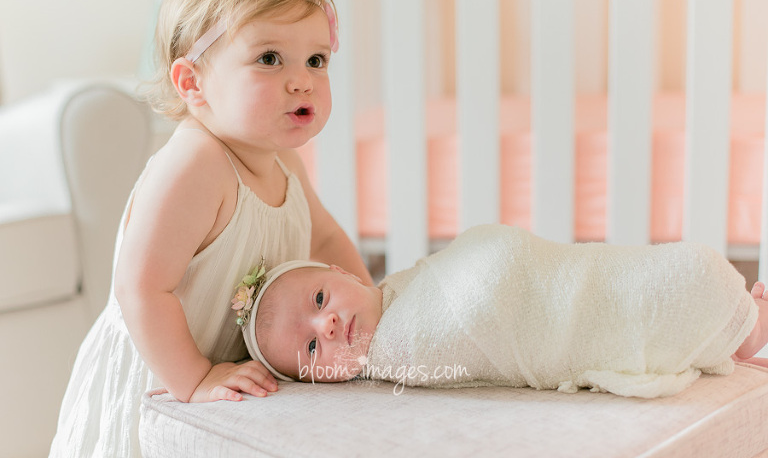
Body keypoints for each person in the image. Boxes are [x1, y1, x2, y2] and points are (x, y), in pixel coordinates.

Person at [49, 0, 372, 457]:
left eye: (316, 60)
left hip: (227, 389)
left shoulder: (283, 160)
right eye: (269, 58)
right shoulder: (196, 165)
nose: (302, 80)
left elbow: (325, 238)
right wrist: (195, 378)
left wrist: (372, 306)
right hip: (161, 378)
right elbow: (141, 286)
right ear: (192, 82)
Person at [242, 224, 768, 399]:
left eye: (319, 300)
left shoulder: (400, 288)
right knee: (677, 289)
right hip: (572, 318)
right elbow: (482, 311)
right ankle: (740, 331)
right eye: (312, 347)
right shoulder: (398, 352)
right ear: (325, 381)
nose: (328, 324)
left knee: (670, 271)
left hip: (579, 276)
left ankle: (731, 316)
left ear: (346, 275)